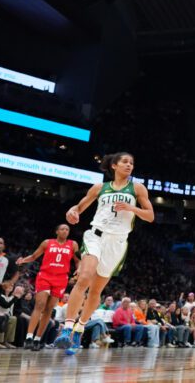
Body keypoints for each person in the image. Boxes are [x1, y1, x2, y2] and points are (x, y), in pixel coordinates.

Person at [54, 152, 154, 355]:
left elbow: (150, 216)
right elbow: (79, 207)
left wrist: (132, 208)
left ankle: (79, 329)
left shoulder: (137, 188)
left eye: (132, 163)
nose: (129, 165)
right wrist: (72, 212)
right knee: (84, 277)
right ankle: (67, 328)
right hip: (96, 236)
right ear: (114, 165)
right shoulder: (100, 187)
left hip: (117, 242)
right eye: (125, 162)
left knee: (96, 291)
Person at [17, 223, 80, 350]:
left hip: (61, 278)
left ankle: (38, 339)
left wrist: (79, 271)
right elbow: (34, 256)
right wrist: (23, 260)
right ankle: (29, 337)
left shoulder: (73, 244)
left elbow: (78, 260)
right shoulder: (47, 243)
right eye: (62, 229)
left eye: (67, 229)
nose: (65, 231)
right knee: (40, 305)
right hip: (45, 276)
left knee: (49, 309)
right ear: (57, 231)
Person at [0, 238, 20, 307]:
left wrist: (10, 282)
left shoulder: (9, 259)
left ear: (4, 246)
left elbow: (16, 273)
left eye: (1, 243)